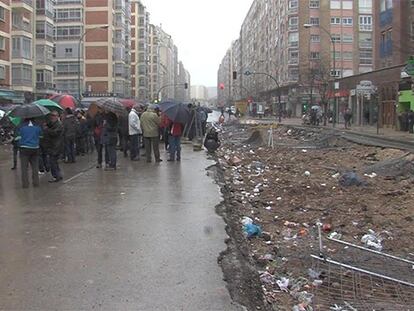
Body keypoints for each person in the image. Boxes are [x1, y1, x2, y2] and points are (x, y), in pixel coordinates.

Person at [16, 118, 42, 188]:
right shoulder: (37, 126)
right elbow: (41, 136)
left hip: (24, 148)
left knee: (24, 168)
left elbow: (17, 138)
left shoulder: (20, 126)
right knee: (35, 167)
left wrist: (19, 145)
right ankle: (36, 183)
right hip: (35, 148)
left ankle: (25, 184)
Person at [43, 111, 64, 183]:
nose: (52, 117)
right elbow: (51, 127)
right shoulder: (54, 123)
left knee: (52, 162)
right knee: (54, 162)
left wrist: (47, 129)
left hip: (56, 146)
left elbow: (55, 133)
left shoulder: (59, 125)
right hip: (53, 145)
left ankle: (56, 176)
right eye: (51, 116)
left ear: (57, 116)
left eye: (54, 116)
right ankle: (58, 175)